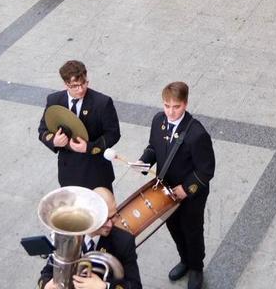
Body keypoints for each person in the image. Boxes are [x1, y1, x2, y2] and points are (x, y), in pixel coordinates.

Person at [138, 82, 215, 289]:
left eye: (176, 107)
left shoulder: (197, 134)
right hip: (165, 190)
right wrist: (144, 161)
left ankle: (196, 267)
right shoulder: (158, 121)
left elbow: (206, 170)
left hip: (190, 194)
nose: (170, 112)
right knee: (174, 227)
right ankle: (184, 260)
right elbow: (154, 146)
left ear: (185, 104)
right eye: (166, 106)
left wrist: (186, 189)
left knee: (192, 230)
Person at [37, 60, 121, 190]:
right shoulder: (54, 100)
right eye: (75, 86)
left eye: (84, 83)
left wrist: (89, 147)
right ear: (66, 84)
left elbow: (113, 133)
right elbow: (43, 130)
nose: (81, 89)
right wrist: (54, 141)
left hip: (96, 173)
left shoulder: (102, 102)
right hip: (69, 173)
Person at [38, 186, 141, 289]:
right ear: (93, 215)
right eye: (105, 219)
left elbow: (135, 286)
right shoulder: (68, 234)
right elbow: (48, 271)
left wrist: (105, 286)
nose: (110, 224)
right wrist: (46, 285)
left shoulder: (124, 241)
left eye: (113, 216)